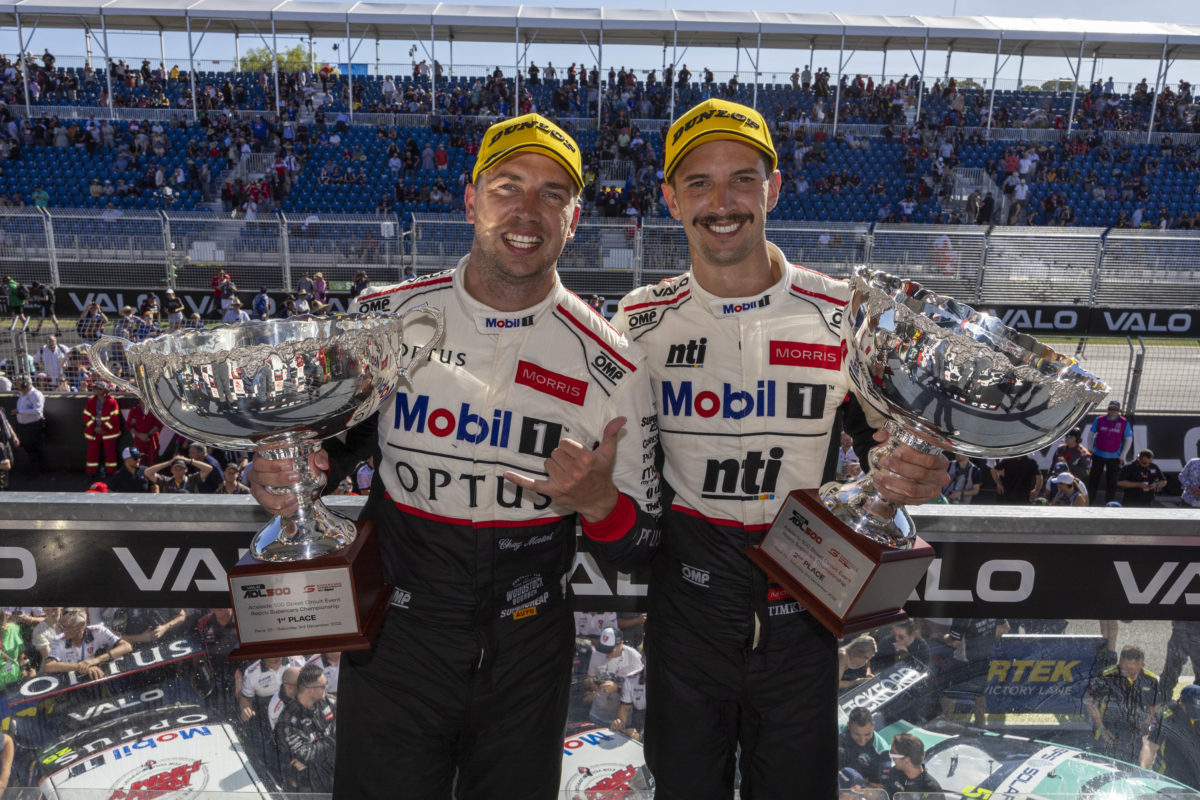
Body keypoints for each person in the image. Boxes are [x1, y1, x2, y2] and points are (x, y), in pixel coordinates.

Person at [249, 113, 659, 800]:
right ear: (471, 201)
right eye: (507, 187)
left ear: (575, 219)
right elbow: (334, 446)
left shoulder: (615, 363)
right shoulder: (385, 318)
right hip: (396, 641)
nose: (527, 211)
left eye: (552, 194)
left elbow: (642, 547)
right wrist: (288, 468)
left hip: (528, 652)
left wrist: (598, 503)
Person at [612, 98, 949, 800]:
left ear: (773, 189)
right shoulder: (640, 319)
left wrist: (917, 468)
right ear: (672, 199)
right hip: (686, 613)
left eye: (743, 179)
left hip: (803, 608)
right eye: (699, 183)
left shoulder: (842, 312)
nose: (722, 202)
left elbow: (886, 441)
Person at [1084, 644, 1163, 763]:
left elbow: (1155, 704)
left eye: (1128, 667)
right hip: (1108, 732)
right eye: (1121, 665)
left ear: (1141, 665)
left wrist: (1146, 723)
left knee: (1133, 769)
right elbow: (1089, 699)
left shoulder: (1150, 680)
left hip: (1134, 736)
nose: (1123, 670)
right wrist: (1100, 727)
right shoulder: (1108, 676)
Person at [276, 663, 336, 794]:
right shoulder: (288, 720)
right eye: (323, 686)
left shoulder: (327, 701)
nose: (326, 688)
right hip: (308, 786)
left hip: (331, 772)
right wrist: (333, 740)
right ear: (310, 690)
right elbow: (306, 755)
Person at [42, 607, 132, 681]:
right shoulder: (58, 639)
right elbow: (48, 666)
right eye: (63, 626)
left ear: (82, 624)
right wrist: (80, 667)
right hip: (75, 682)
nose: (65, 630)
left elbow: (126, 646)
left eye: (69, 627)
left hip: (101, 676)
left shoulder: (99, 630)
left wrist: (96, 660)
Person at [1142, 684, 1200, 788]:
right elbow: (1151, 746)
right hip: (1170, 778)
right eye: (1191, 709)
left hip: (1196, 775)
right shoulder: (1166, 716)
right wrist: (1142, 770)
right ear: (1180, 701)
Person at [583, 627, 643, 727]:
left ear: (621, 644)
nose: (606, 654)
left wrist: (617, 688)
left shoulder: (634, 657)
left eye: (610, 650)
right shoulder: (596, 654)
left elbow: (641, 691)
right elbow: (588, 679)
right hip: (596, 716)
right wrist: (591, 685)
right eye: (603, 649)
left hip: (620, 722)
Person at [1086, 400, 1134, 505]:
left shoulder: (1124, 422)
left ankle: (1110, 503)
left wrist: (1123, 455)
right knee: (1094, 479)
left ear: (1119, 411)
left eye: (1115, 409)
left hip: (1114, 457)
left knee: (1112, 482)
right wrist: (1090, 448)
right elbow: (1091, 434)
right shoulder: (1099, 419)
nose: (1112, 411)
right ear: (1107, 409)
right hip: (1098, 454)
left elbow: (1129, 439)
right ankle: (1089, 501)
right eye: (1111, 409)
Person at [838, 706, 890, 787]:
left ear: (873, 725)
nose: (862, 741)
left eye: (867, 734)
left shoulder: (883, 752)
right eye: (857, 735)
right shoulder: (838, 731)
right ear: (849, 725)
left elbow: (878, 789)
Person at [82, 381, 121, 475]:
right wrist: (94, 427)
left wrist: (103, 428)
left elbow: (114, 418)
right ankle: (91, 473)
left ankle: (111, 473)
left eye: (99, 388)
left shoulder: (112, 402)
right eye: (95, 388)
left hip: (108, 433)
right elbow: (86, 416)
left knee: (110, 454)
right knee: (92, 453)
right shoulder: (90, 401)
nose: (96, 390)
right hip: (94, 432)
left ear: (105, 390)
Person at [14, 377, 46, 477]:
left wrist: (20, 412)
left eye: (18, 384)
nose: (17, 386)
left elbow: (38, 411)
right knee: (28, 448)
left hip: (33, 426)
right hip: (23, 426)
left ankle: (35, 472)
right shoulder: (22, 394)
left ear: (25, 384)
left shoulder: (35, 394)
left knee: (33, 450)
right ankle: (34, 470)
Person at [145, 455, 212, 493]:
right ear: (171, 470)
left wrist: (188, 460)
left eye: (181, 469)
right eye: (176, 469)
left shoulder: (192, 479)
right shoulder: (167, 481)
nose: (178, 471)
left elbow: (208, 468)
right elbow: (147, 472)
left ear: (186, 470)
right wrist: (168, 463)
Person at [0, 407, 17, 491]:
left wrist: (14, 436)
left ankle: (5, 485)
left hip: (5, 440)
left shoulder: (1, 409)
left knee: (9, 463)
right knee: (5, 465)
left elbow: (6, 422)